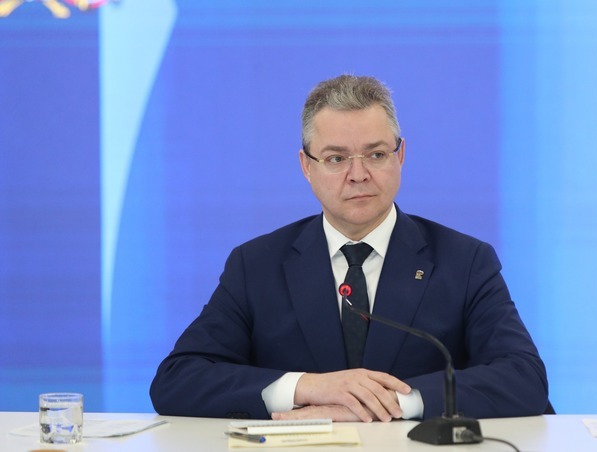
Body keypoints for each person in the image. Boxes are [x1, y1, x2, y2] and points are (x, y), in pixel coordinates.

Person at [150, 74, 550, 422]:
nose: (358, 175)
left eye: (376, 154)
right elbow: (177, 380)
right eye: (336, 158)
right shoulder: (256, 266)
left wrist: (395, 403)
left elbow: (524, 378)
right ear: (307, 167)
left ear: (401, 156)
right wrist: (307, 387)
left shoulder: (464, 261)